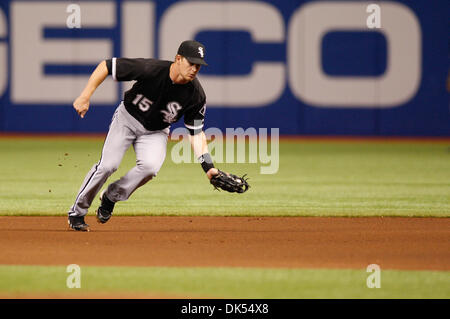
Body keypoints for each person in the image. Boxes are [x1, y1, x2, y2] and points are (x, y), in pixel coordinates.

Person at [68, 40, 218, 231]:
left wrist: (208, 167)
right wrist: (85, 95)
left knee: (150, 168)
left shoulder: (196, 95)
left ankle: (110, 196)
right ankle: (77, 213)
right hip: (127, 119)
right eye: (191, 63)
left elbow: (196, 133)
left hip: (156, 131)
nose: (195, 69)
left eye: (199, 66)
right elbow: (106, 65)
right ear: (178, 59)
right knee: (108, 165)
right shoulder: (151, 69)